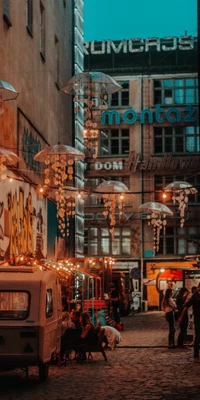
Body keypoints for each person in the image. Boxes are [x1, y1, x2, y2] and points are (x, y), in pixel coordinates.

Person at [178, 282, 200, 362]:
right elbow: (186, 307)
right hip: (198, 319)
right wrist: (181, 316)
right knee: (198, 337)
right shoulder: (195, 296)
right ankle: (196, 356)